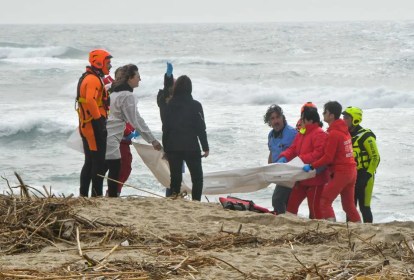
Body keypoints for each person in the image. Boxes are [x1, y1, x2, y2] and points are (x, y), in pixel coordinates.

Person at [105, 64, 162, 197]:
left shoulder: (114, 92)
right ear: (130, 78)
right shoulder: (127, 95)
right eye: (137, 76)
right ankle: (112, 196)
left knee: (103, 168)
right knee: (117, 168)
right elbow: (136, 120)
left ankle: (103, 196)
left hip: (107, 134)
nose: (140, 79)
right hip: (113, 137)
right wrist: (152, 140)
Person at [303, 101, 361, 222]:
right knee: (348, 206)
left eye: (325, 112)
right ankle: (360, 228)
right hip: (352, 172)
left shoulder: (334, 134)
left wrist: (312, 165)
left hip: (342, 172)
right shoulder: (344, 130)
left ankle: (332, 228)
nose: (323, 114)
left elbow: (328, 158)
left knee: (324, 200)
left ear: (331, 115)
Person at [162, 75, 209, 201]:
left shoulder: (169, 105)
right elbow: (201, 128)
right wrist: (205, 147)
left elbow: (165, 128)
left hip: (173, 146)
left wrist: (165, 149)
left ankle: (175, 199)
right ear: (190, 89)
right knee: (197, 178)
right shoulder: (196, 105)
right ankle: (196, 201)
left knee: (175, 178)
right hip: (191, 146)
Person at [278, 106, 329, 219]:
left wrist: (301, 159)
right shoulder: (302, 133)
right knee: (291, 206)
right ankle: (290, 227)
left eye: (303, 119)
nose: (301, 121)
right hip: (301, 177)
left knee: (314, 209)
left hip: (315, 179)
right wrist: (284, 157)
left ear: (310, 120)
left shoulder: (319, 134)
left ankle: (318, 232)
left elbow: (319, 154)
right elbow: (293, 148)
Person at [77, 49, 112, 197]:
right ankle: (96, 195)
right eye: (108, 63)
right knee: (98, 163)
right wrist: (99, 122)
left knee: (90, 161)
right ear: (99, 62)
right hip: (93, 126)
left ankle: (84, 195)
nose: (110, 66)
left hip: (87, 125)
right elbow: (91, 100)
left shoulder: (89, 77)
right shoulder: (92, 79)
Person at [342, 106, 380, 223]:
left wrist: (367, 175)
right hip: (351, 176)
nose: (344, 120)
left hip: (365, 176)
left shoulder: (366, 136)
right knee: (350, 207)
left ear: (355, 119)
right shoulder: (345, 134)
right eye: (343, 117)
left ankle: (369, 230)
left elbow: (376, 157)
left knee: (364, 207)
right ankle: (350, 231)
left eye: (346, 118)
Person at [263, 104, 297, 214]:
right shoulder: (271, 135)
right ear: (269, 122)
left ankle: (281, 219)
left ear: (283, 118)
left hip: (291, 173)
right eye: (272, 119)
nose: (276, 121)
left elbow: (300, 151)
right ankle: (285, 218)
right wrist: (269, 169)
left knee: (277, 199)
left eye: (278, 117)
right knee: (285, 201)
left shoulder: (292, 133)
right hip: (279, 173)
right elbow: (272, 152)